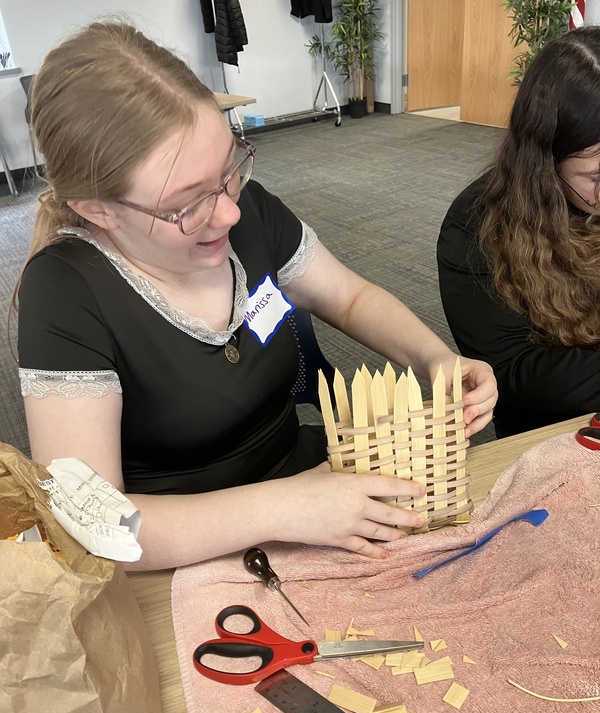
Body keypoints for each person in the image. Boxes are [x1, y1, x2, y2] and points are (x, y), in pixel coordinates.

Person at [17, 21, 497, 570]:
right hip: (181, 551)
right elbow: (94, 524)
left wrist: (435, 358)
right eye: (185, 205)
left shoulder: (251, 215)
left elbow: (351, 299)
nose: (229, 212)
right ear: (96, 209)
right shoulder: (65, 292)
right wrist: (284, 509)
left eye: (229, 172)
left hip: (311, 487)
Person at [437, 25, 600, 439]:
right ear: (545, 160)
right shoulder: (476, 227)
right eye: (596, 176)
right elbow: (512, 370)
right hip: (559, 429)